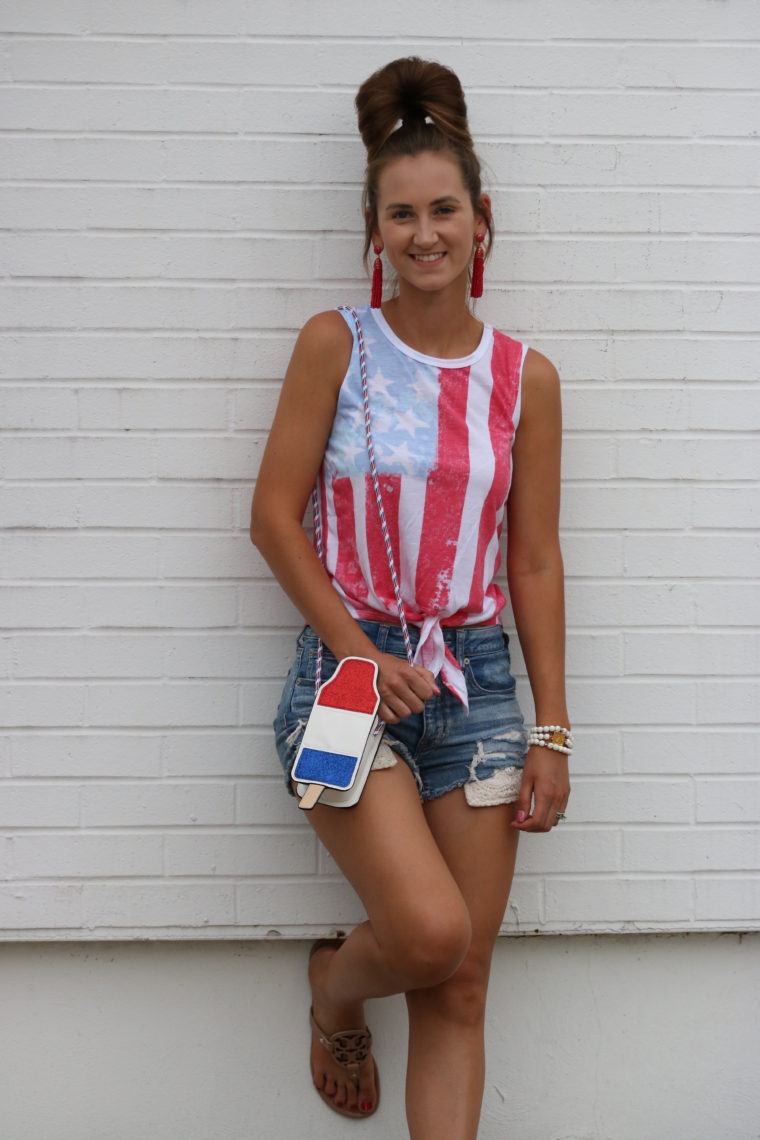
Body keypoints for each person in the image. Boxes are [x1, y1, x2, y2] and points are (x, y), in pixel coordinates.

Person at [250, 56, 571, 1140]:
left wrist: (551, 729)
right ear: (374, 229)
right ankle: (336, 990)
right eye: (402, 214)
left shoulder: (524, 379)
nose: (425, 232)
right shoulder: (335, 346)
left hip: (476, 685)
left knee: (460, 981)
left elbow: (531, 561)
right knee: (429, 935)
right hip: (348, 678)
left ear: (484, 222)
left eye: (445, 210)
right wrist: (353, 650)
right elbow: (272, 519)